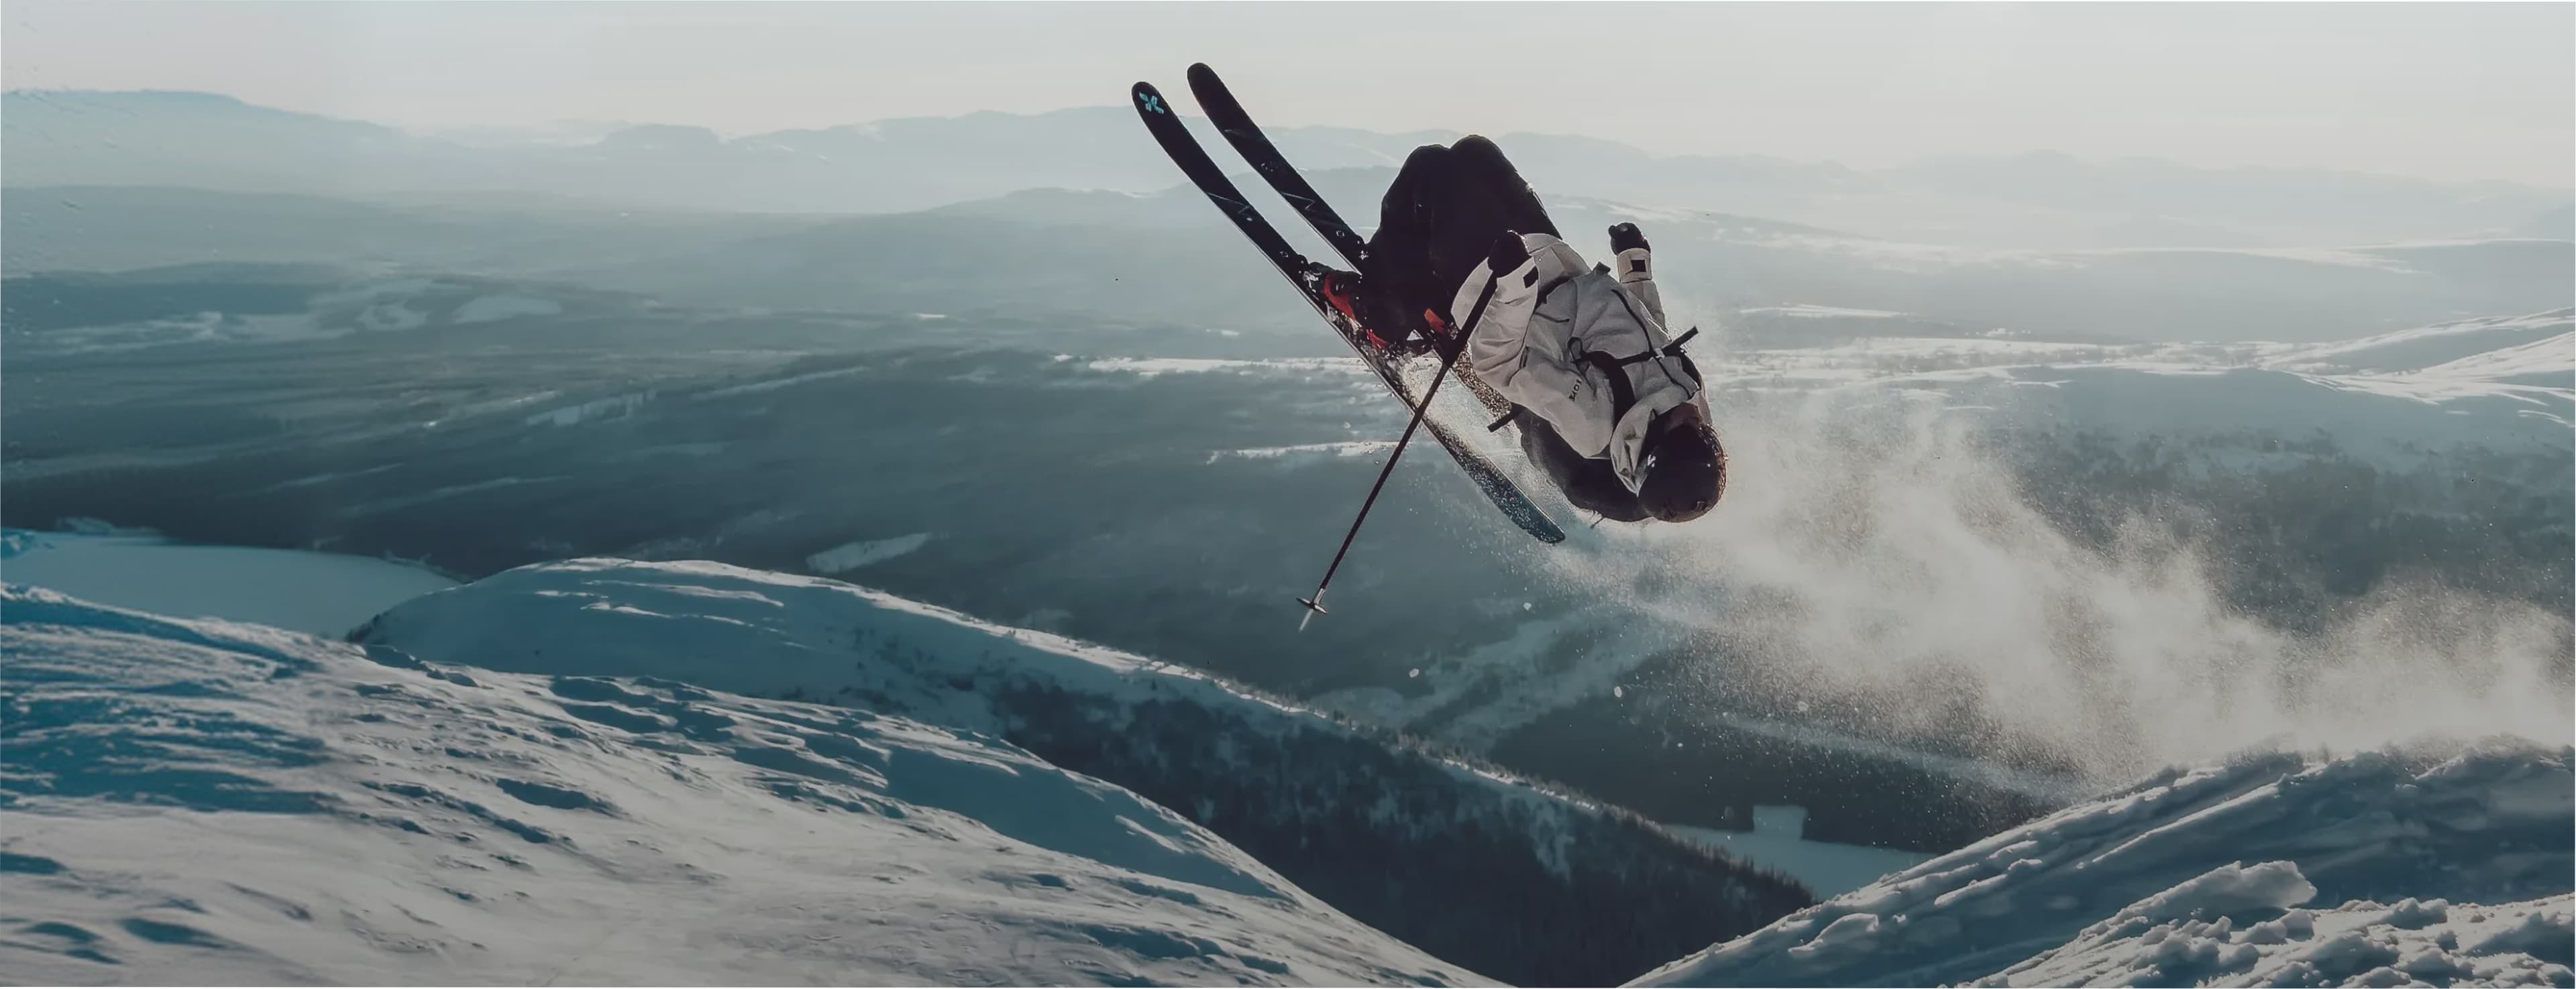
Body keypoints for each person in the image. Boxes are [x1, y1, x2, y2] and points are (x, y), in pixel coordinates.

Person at [1318, 135, 1726, 524]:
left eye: (1691, 432)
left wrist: (1515, 284)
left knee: (1428, 173)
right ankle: (1419, 295)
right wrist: (1636, 266)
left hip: (1496, 290)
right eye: (1706, 434)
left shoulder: (1594, 422)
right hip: (1553, 260)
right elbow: (1648, 331)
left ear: (1659, 443)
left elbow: (1502, 366)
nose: (1698, 419)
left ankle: (1380, 317)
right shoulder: (1686, 396)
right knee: (1474, 152)